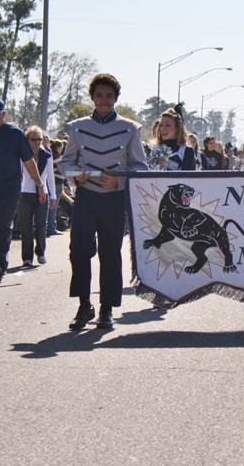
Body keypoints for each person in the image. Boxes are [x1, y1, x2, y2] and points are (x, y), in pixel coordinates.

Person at [58, 73, 148, 330]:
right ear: (93, 98)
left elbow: (140, 168)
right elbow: (66, 162)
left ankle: (106, 309)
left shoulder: (130, 128)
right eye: (99, 95)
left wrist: (118, 182)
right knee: (79, 250)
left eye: (109, 96)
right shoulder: (77, 127)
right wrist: (77, 174)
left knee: (110, 254)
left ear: (116, 98)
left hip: (114, 199)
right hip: (86, 196)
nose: (104, 100)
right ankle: (84, 305)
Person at [0, 98, 46, 283]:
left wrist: (40, 185)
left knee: (3, 224)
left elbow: (29, 161)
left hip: (10, 189)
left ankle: (0, 264)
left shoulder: (14, 134)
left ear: (4, 114)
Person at [18, 125, 57, 267]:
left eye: (39, 139)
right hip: (25, 193)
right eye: (33, 139)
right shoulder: (22, 154)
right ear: (27, 140)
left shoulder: (46, 154)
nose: (36, 142)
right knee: (26, 227)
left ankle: (40, 252)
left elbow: (50, 177)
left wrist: (52, 196)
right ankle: (27, 257)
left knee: (41, 225)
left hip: (42, 194)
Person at [47, 139, 66, 236]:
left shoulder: (50, 156)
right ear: (59, 148)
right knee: (53, 207)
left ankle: (48, 226)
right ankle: (51, 227)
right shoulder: (59, 159)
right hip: (57, 183)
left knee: (48, 206)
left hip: (50, 182)